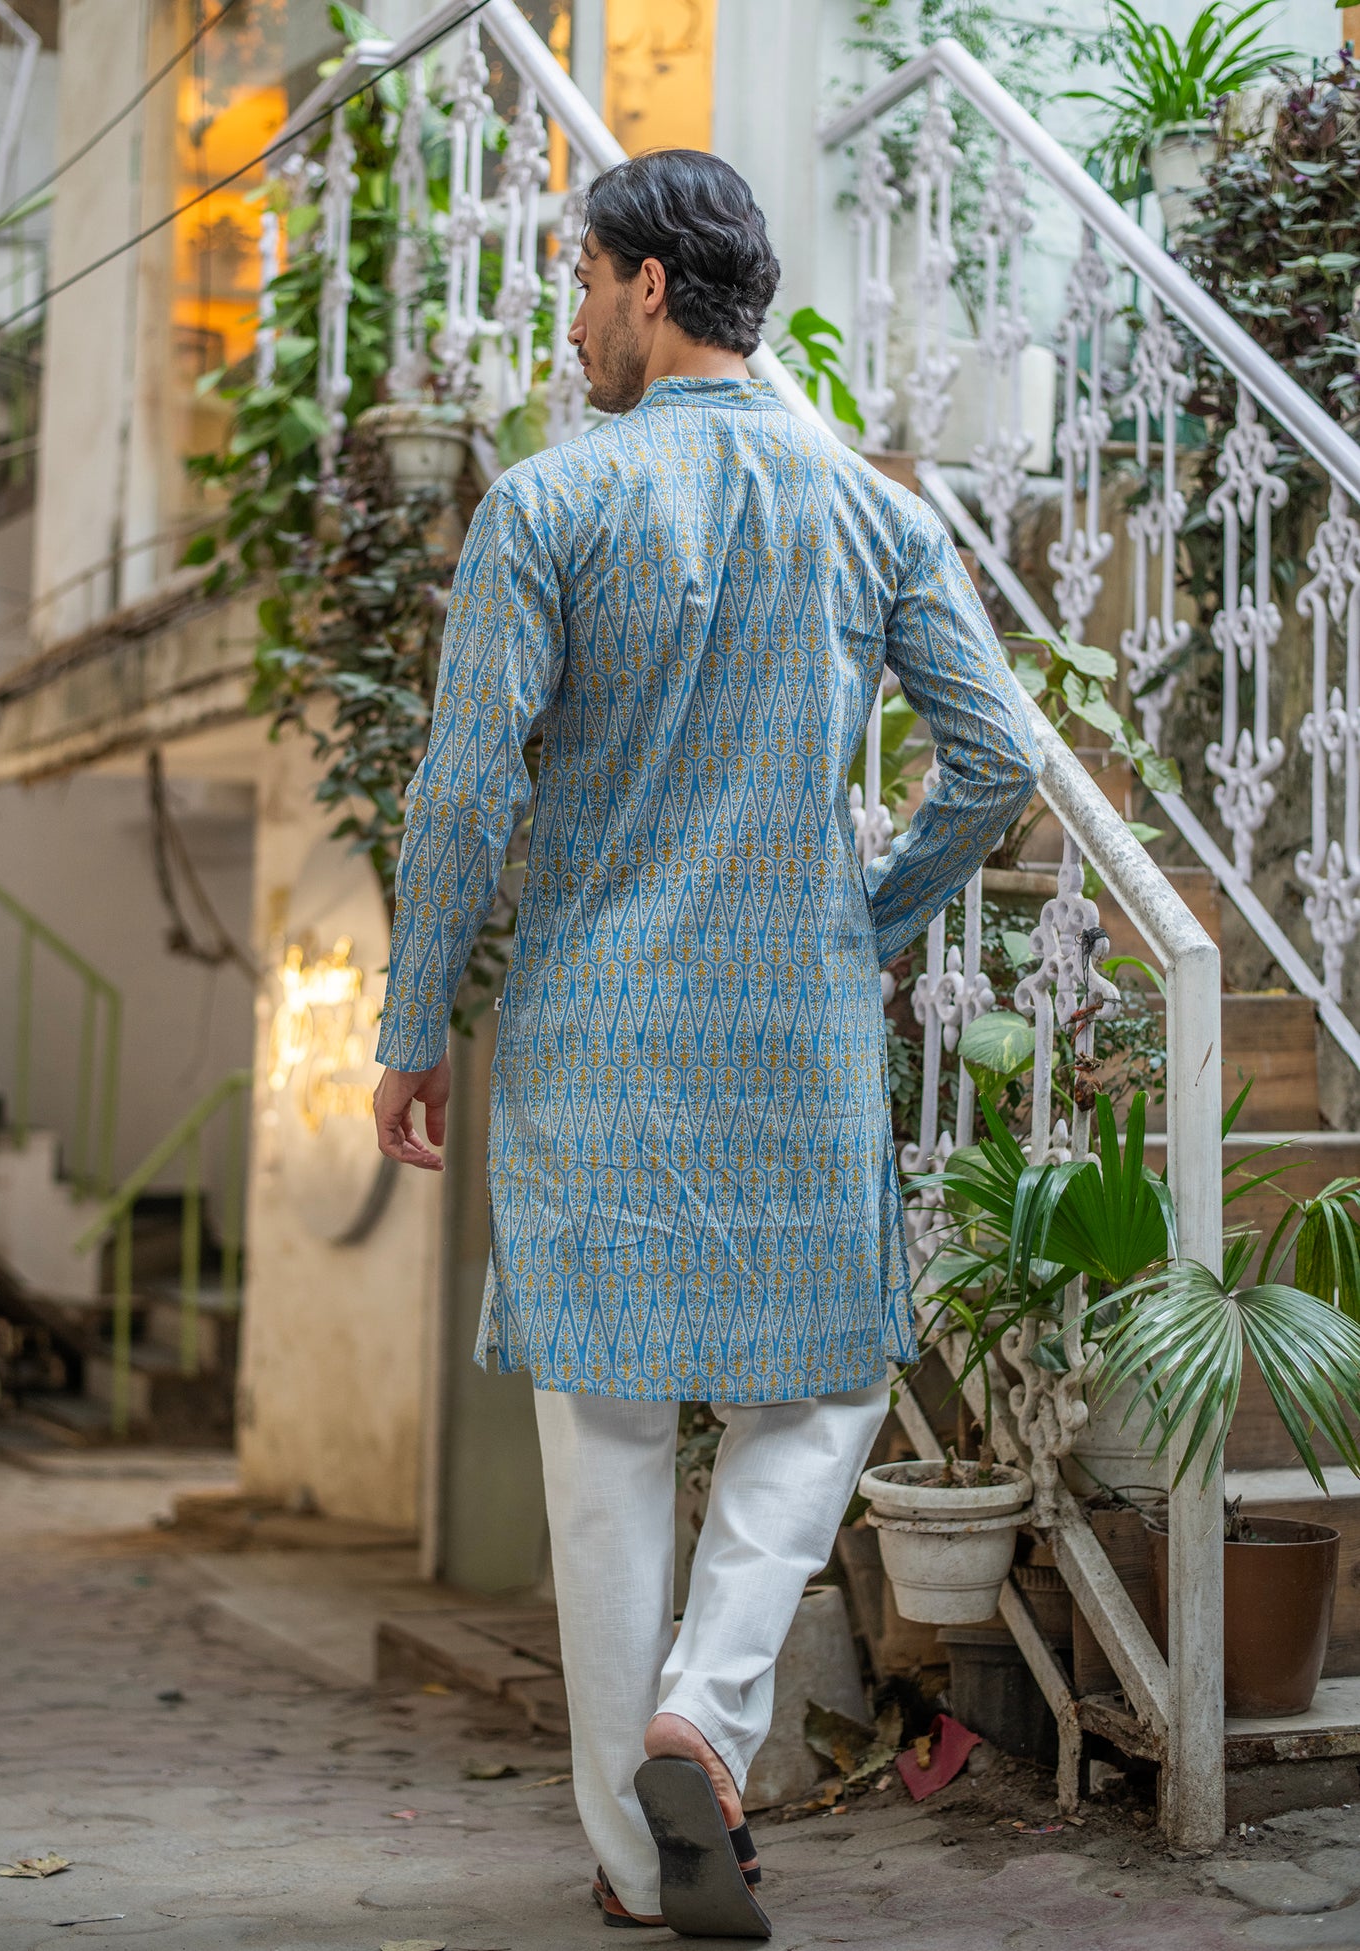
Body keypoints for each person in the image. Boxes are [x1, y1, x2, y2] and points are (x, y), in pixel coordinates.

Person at [374, 149, 1041, 1937]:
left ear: (650, 286)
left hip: (591, 1041)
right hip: (792, 1038)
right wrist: (867, 921)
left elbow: (463, 793)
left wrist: (414, 1022)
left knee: (603, 1439)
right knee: (819, 1390)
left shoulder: (547, 505)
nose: (571, 320)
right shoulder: (870, 514)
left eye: (581, 281)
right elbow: (993, 760)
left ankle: (630, 1860)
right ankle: (711, 1708)